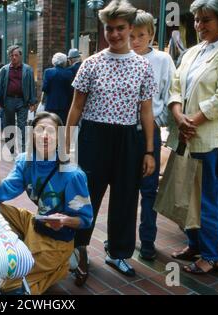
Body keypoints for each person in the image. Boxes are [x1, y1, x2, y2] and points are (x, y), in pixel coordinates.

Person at [66, 0, 157, 281]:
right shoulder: (90, 64)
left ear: (130, 28)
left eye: (120, 28)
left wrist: (150, 152)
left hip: (129, 139)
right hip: (94, 136)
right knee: (85, 196)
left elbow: (146, 110)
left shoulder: (143, 66)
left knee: (126, 198)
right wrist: (64, 145)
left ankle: (118, 253)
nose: (114, 34)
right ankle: (78, 250)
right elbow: (76, 107)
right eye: (109, 28)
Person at [168, 0, 218, 275]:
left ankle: (212, 256)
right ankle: (195, 245)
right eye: (196, 19)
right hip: (187, 135)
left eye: (206, 20)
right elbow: (175, 85)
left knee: (207, 199)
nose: (199, 25)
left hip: (212, 140)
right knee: (187, 196)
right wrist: (179, 117)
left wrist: (193, 120)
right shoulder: (193, 52)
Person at [0, 111, 93, 295]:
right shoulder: (25, 161)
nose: (45, 135)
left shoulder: (73, 174)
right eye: (41, 130)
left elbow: (85, 220)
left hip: (56, 240)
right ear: (32, 134)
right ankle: (37, 264)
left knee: (10, 289)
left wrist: (64, 221)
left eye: (52, 131)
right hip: (35, 222)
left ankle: (59, 263)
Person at [129, 10, 176, 261]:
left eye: (141, 35)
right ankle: (120, 237)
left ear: (151, 35)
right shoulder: (121, 57)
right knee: (124, 187)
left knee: (149, 189)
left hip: (150, 132)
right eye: (132, 35)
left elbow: (170, 93)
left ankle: (147, 240)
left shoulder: (162, 60)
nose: (135, 41)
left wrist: (157, 122)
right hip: (123, 133)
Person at [0, 45, 37, 153]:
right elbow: (0, 86)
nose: (14, 57)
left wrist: (33, 102)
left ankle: (23, 150)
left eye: (16, 55)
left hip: (22, 101)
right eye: (12, 55)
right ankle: (11, 148)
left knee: (22, 125)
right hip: (8, 101)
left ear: (20, 56)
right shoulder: (4, 69)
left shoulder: (28, 69)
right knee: (9, 125)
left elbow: (32, 86)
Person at [42, 52, 74, 125]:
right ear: (64, 62)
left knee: (50, 124)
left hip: (51, 104)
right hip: (65, 105)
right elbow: (71, 90)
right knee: (61, 126)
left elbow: (45, 88)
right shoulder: (69, 73)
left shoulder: (48, 72)